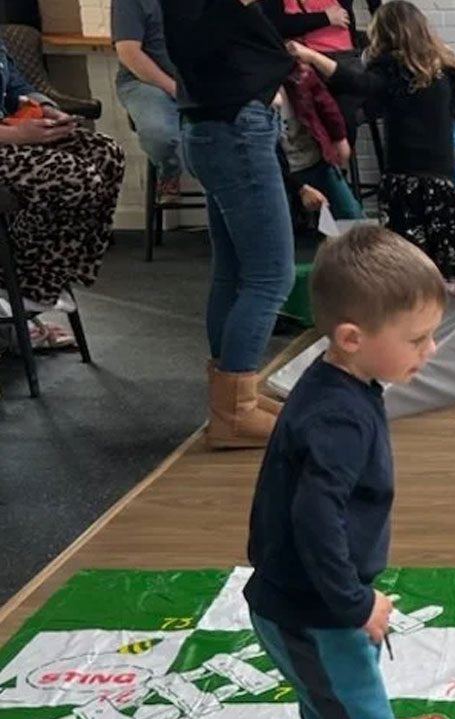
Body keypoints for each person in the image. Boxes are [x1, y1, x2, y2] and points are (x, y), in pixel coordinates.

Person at [243, 225, 444, 719]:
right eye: (418, 339)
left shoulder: (341, 382)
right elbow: (313, 521)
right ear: (354, 336)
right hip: (314, 610)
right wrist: (358, 602)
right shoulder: (336, 413)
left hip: (296, 600)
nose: (431, 352)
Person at [161, 0, 297, 448]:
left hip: (215, 126)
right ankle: (234, 411)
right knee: (269, 275)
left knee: (235, 272)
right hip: (235, 128)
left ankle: (233, 400)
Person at [292, 0, 455, 300]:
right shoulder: (447, 74)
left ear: (384, 36)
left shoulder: (391, 71)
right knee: (450, 235)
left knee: (409, 246)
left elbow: (356, 82)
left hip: (405, 177)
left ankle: (416, 291)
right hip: (443, 178)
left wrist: (311, 55)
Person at [0, 40, 124, 348]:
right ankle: (25, 281)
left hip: (9, 135)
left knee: (107, 153)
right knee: (74, 176)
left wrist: (48, 110)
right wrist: (14, 135)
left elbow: (17, 84)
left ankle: (41, 278)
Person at [265, 0, 381, 139]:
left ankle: (341, 148)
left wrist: (381, 33)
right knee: (324, 116)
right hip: (305, 63)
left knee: (347, 112)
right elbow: (275, 25)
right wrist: (325, 18)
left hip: (344, 58)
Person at [111, 0, 181, 199]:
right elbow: (129, 53)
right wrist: (175, 89)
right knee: (161, 134)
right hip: (144, 82)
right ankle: (169, 172)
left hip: (197, 80)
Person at [276, 64, 364, 221]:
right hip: (281, 172)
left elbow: (327, 106)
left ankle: (361, 243)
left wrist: (339, 138)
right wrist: (300, 189)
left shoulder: (300, 75)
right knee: (281, 222)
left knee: (351, 215)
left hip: (318, 160)